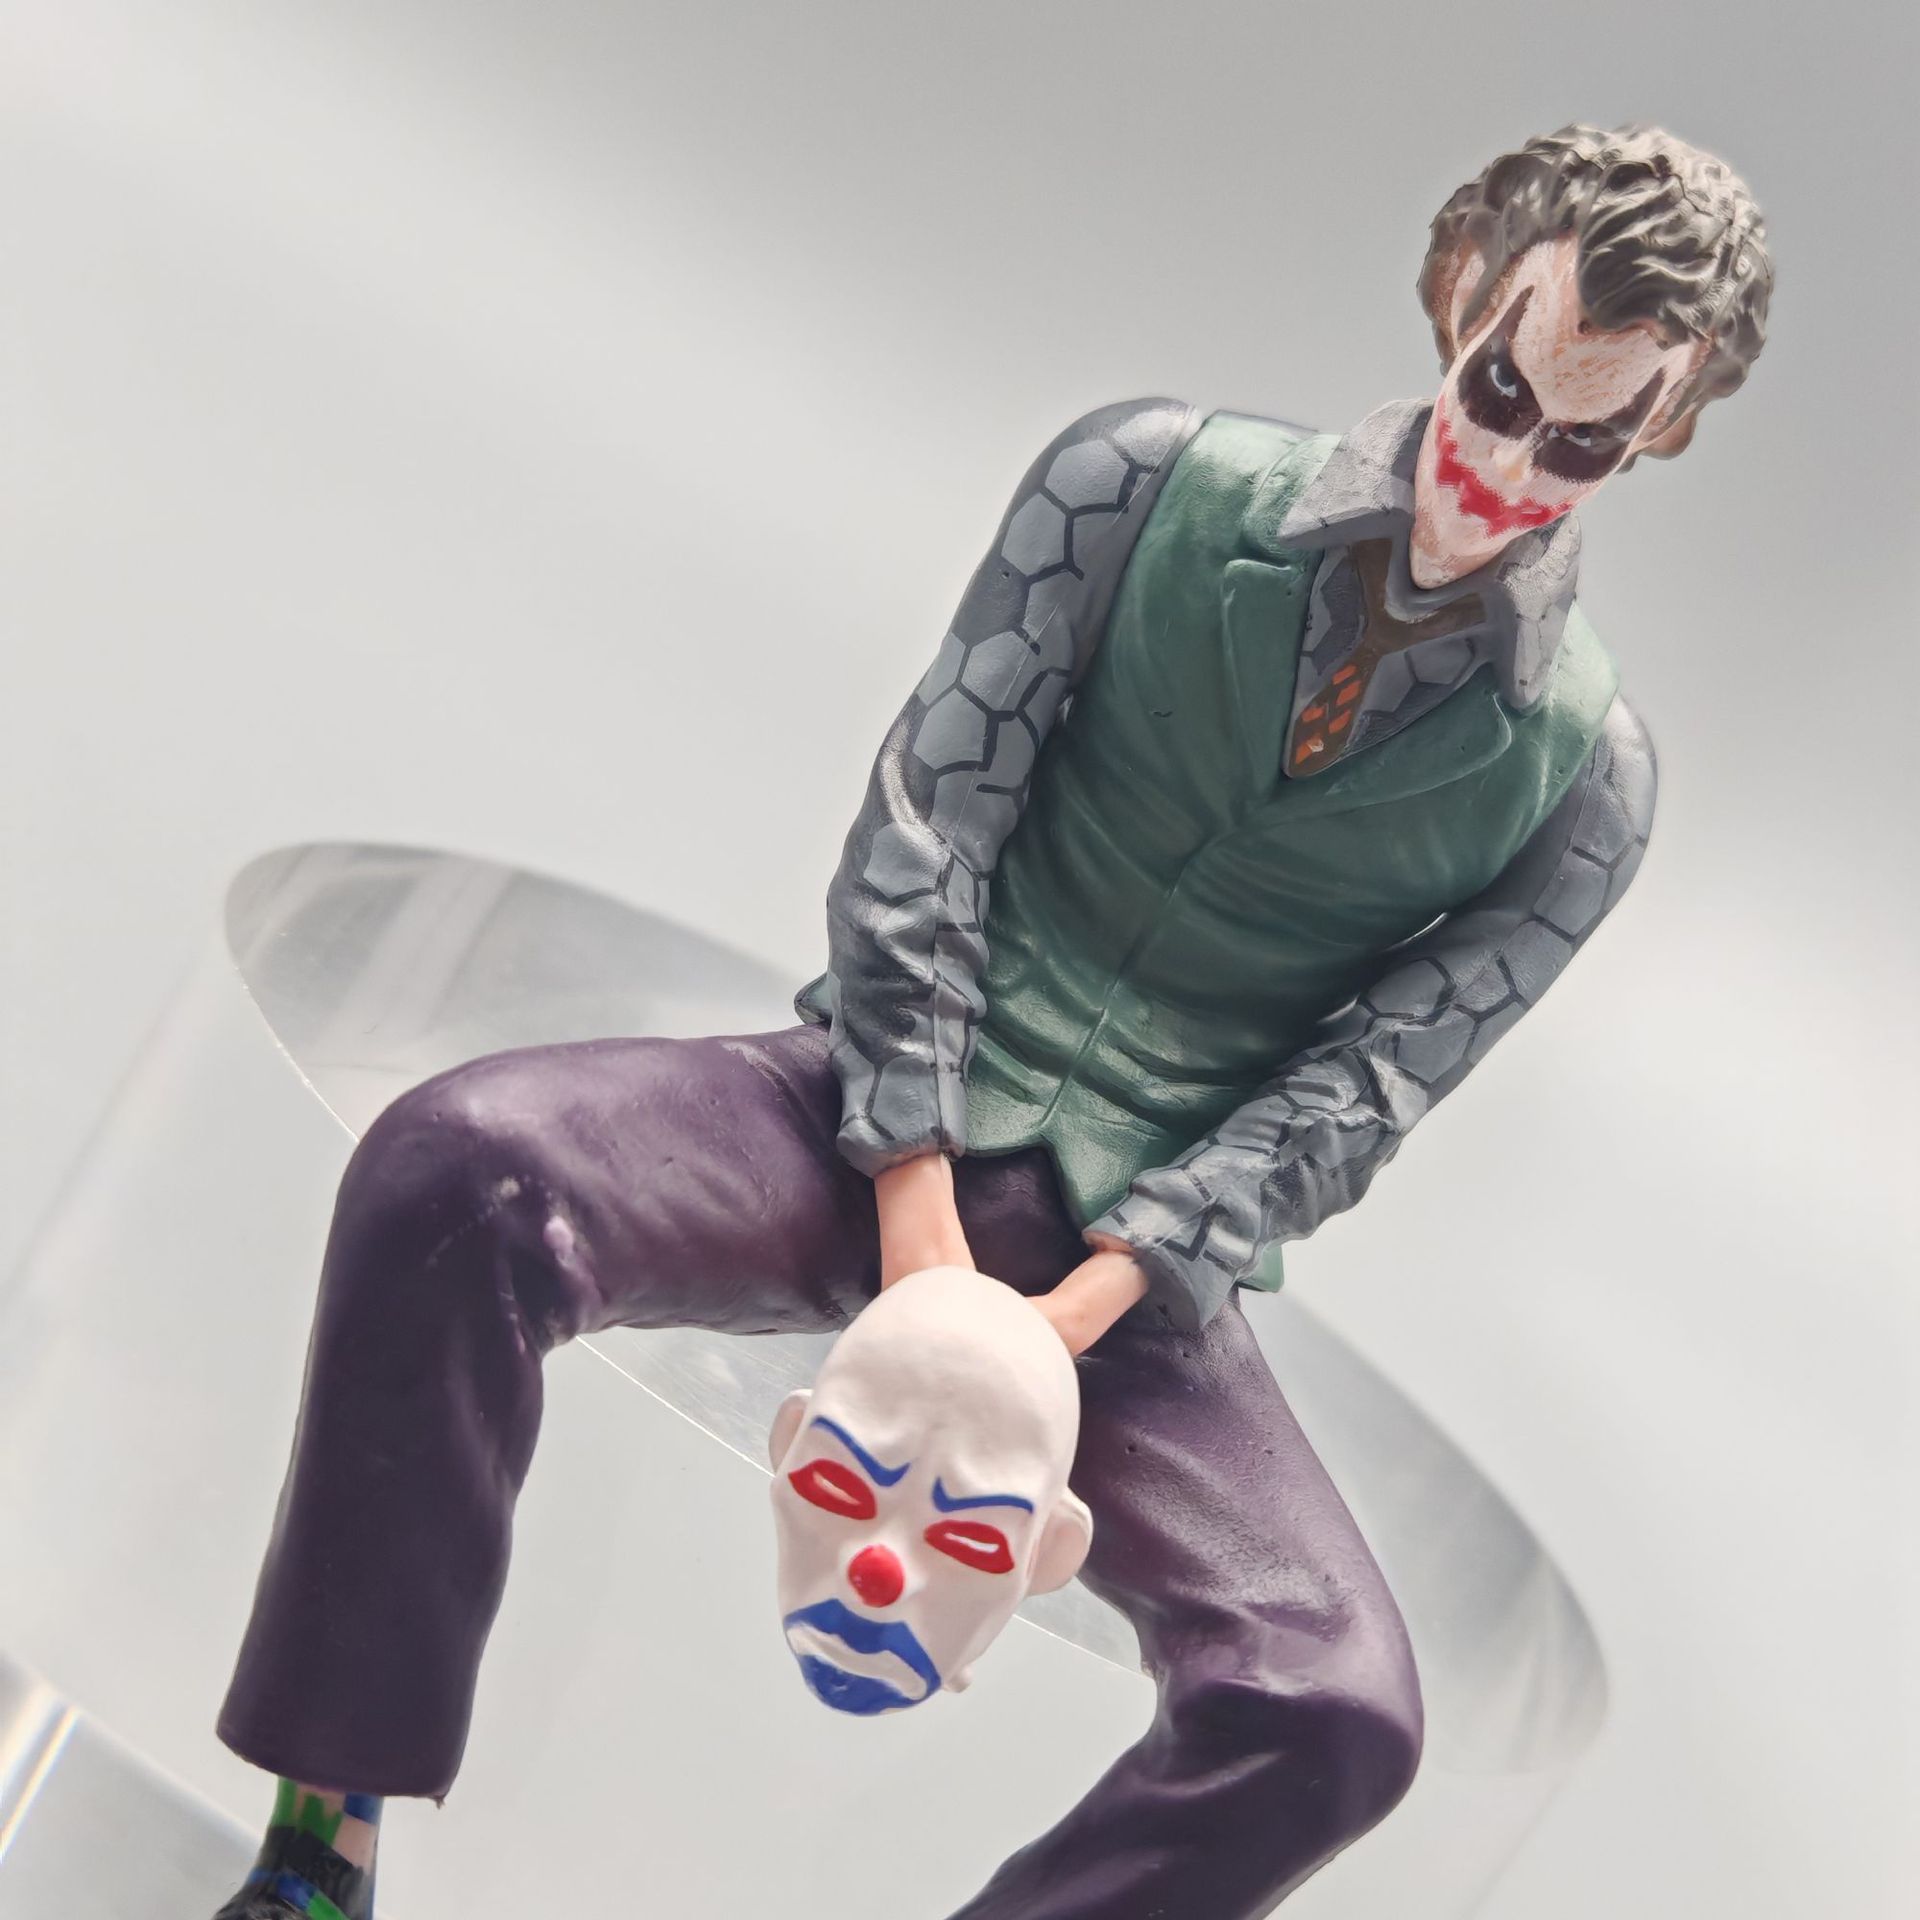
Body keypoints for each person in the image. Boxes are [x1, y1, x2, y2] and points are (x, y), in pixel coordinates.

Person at [212, 122, 1771, 1920]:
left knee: (1335, 1709)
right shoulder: (1143, 484)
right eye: (1501, 388)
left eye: (1579, 441)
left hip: (1133, 1279)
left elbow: (1370, 1086)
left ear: (1655, 433)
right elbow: (931, 819)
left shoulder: (1585, 777)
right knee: (455, 1172)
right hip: (875, 1115)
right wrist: (918, 1212)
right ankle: (321, 1849)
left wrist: (1078, 1308)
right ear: (1460, 296)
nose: (1506, 464)